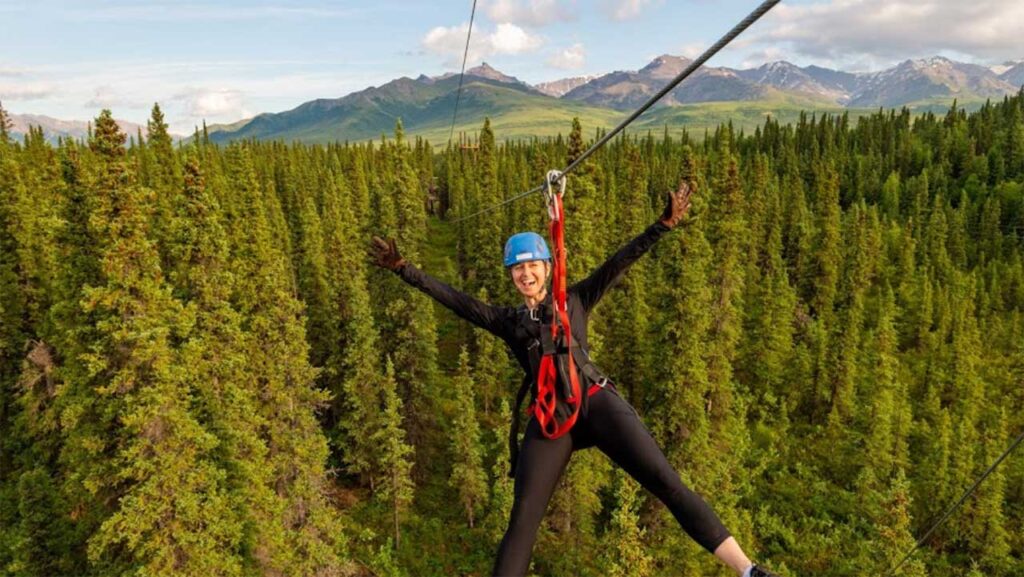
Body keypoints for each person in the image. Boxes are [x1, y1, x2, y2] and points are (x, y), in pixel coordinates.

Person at [370, 181, 778, 577]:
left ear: (547, 268)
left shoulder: (575, 300)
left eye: (532, 265)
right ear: (511, 275)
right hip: (551, 418)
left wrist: (662, 226)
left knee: (666, 482)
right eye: (518, 268)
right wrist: (404, 269)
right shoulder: (507, 321)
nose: (526, 274)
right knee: (523, 518)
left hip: (595, 401)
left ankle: (748, 570)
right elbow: (455, 300)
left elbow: (618, 263)